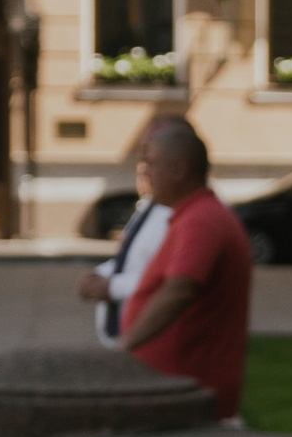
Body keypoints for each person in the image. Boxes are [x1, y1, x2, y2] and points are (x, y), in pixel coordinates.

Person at [111, 116, 255, 419]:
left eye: (151, 164)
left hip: (188, 393)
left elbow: (179, 290)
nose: (145, 172)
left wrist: (124, 348)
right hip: (176, 390)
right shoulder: (192, 215)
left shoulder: (201, 220)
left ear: (179, 170)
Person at [78, 147, 170, 345]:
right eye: (140, 171)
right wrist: (98, 274)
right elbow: (127, 259)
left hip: (143, 334)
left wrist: (112, 287)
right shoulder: (147, 206)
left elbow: (166, 280)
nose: (143, 176)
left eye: (150, 167)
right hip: (125, 329)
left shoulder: (170, 214)